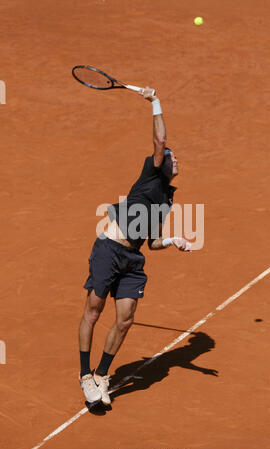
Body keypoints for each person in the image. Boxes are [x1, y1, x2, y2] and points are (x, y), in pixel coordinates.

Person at [78, 87, 192, 407]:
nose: (175, 158)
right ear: (161, 163)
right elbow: (160, 142)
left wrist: (173, 240)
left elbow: (152, 241)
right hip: (109, 248)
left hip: (133, 258)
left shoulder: (167, 196)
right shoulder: (151, 173)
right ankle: (85, 375)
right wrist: (155, 100)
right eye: (172, 157)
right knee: (94, 311)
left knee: (125, 319)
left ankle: (102, 375)